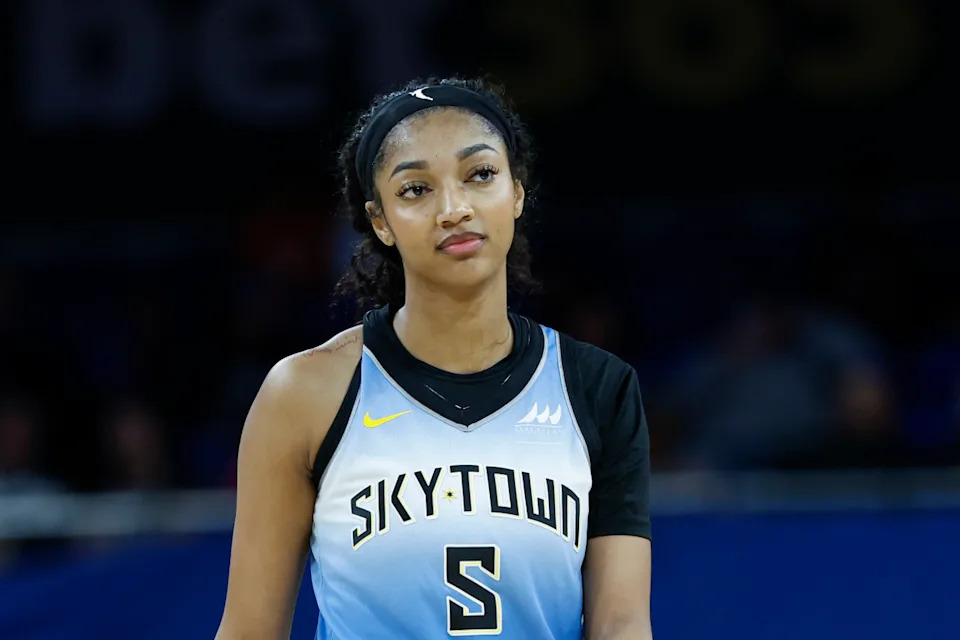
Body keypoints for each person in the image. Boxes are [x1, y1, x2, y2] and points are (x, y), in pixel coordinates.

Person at [216, 77, 653, 640]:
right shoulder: (303, 394)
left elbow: (621, 624)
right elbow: (249, 630)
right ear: (380, 221)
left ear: (517, 193)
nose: (453, 209)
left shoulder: (597, 387)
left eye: (480, 174)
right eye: (416, 189)